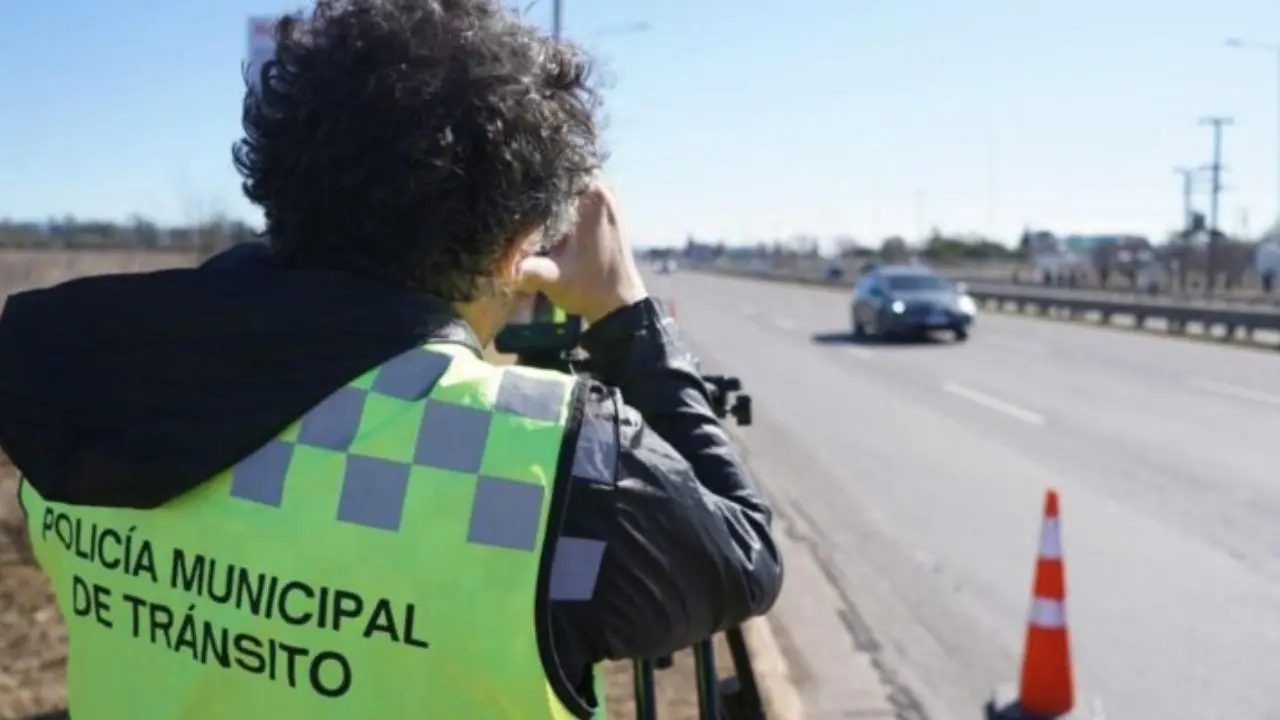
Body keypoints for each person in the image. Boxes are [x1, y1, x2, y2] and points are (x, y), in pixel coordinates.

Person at [0, 1, 782, 719]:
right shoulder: (542, 461)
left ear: (282, 186)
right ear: (515, 249)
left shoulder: (80, 375)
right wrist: (627, 315)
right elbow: (743, 556)